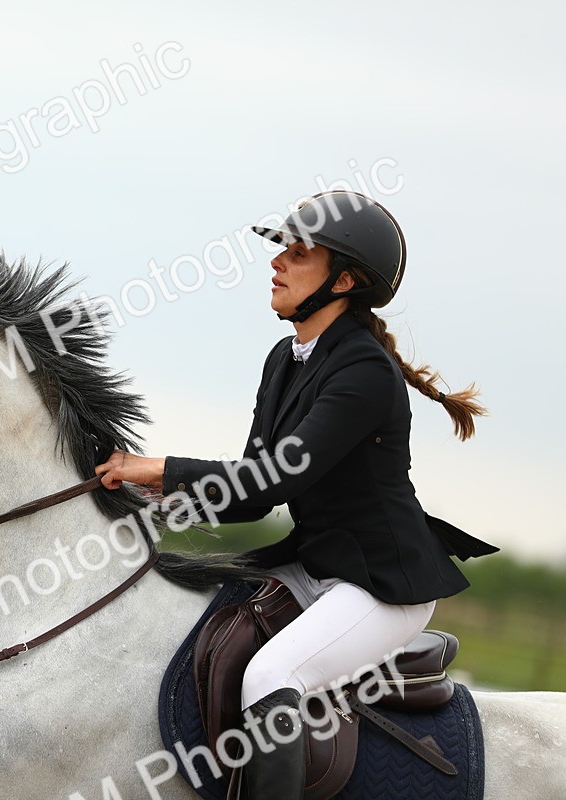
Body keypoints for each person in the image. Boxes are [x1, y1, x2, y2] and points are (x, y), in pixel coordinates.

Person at [94, 190, 498, 800]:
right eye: (282, 247)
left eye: (299, 251)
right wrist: (152, 493)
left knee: (271, 675)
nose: (278, 261)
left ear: (345, 280)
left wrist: (160, 466)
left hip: (380, 586)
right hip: (315, 564)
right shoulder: (286, 358)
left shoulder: (363, 371)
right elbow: (252, 497)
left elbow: (278, 476)